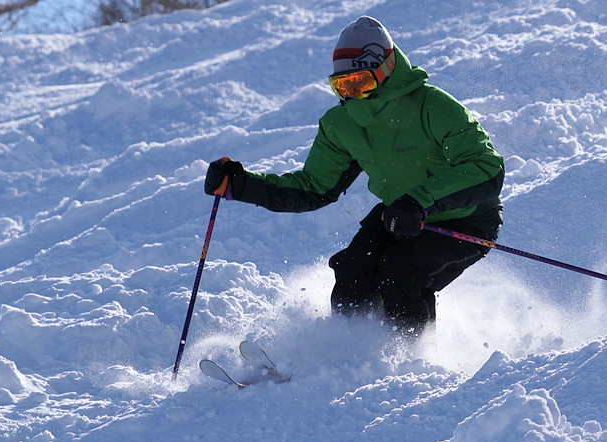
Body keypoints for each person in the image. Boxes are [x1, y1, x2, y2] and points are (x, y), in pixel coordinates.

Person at [204, 16, 504, 336]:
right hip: (398, 213)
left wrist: (420, 201)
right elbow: (315, 187)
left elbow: (486, 167)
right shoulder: (341, 124)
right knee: (353, 269)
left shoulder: (433, 106)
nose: (353, 95)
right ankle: (346, 351)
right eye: (343, 86)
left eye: (361, 82)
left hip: (466, 219)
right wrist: (243, 185)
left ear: (386, 68)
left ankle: (409, 358)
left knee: (400, 271)